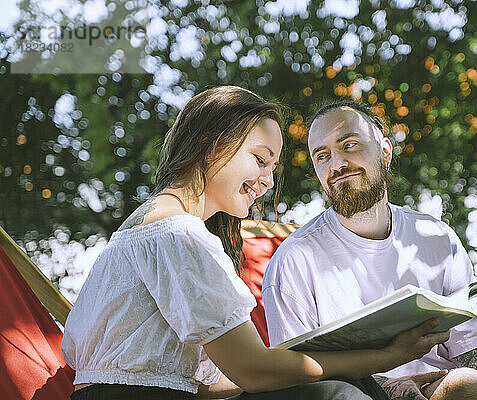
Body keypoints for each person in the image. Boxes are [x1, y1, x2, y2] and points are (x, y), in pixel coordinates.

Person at [61, 87, 452, 400]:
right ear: (212, 143)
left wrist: (372, 378)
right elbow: (255, 370)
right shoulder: (177, 233)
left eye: (273, 167)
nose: (267, 180)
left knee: (342, 388)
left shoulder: (145, 227)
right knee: (335, 395)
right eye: (260, 158)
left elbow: (218, 381)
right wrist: (386, 356)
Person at [262, 100, 477, 400]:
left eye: (349, 145)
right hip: (367, 393)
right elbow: (301, 379)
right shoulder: (294, 260)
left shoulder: (435, 236)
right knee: (464, 385)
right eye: (322, 156)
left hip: (453, 384)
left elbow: (474, 344)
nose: (336, 165)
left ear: (385, 151)